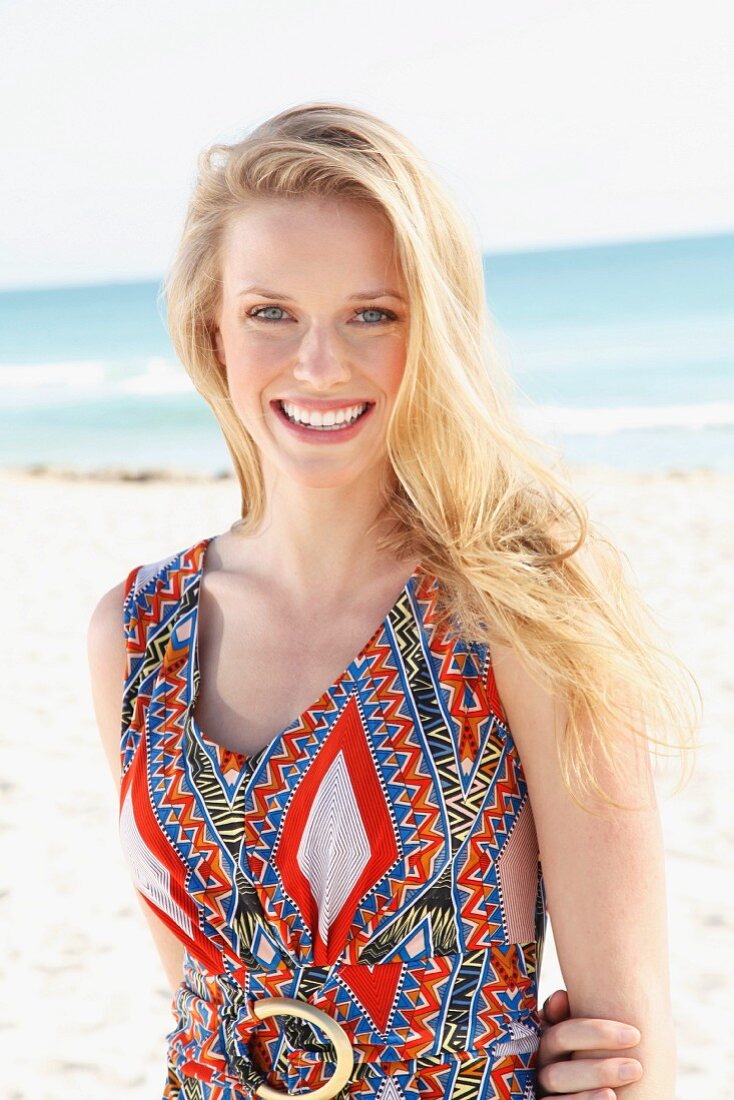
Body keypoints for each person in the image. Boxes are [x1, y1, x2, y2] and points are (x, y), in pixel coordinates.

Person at [88, 103, 699, 1100]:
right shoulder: (135, 630)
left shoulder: (520, 607)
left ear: (433, 329)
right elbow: (202, 1002)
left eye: (372, 313)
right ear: (213, 327)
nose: (318, 364)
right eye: (270, 312)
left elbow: (631, 1052)